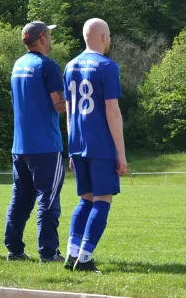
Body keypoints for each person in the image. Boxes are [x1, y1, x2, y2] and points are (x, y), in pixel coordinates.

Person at [62, 18, 127, 273]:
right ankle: (86, 259)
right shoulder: (107, 66)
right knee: (102, 200)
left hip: (78, 142)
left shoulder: (69, 66)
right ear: (103, 37)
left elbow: (68, 112)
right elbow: (112, 112)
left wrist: (71, 147)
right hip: (100, 144)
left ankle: (72, 253)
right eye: (108, 35)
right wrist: (120, 153)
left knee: (85, 200)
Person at [4, 21, 67, 263]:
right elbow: (59, 105)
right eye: (49, 35)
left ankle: (15, 250)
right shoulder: (48, 66)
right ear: (41, 38)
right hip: (46, 147)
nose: (51, 39)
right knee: (48, 200)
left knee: (20, 199)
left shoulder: (18, 65)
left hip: (20, 147)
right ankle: (49, 253)